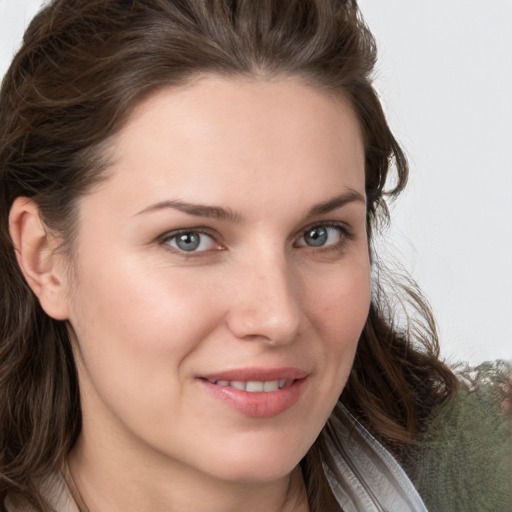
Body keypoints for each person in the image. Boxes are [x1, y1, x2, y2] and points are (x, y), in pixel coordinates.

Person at [0, 1, 509, 511]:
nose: (278, 317)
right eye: (190, 240)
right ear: (45, 258)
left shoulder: (488, 474)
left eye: (319, 234)